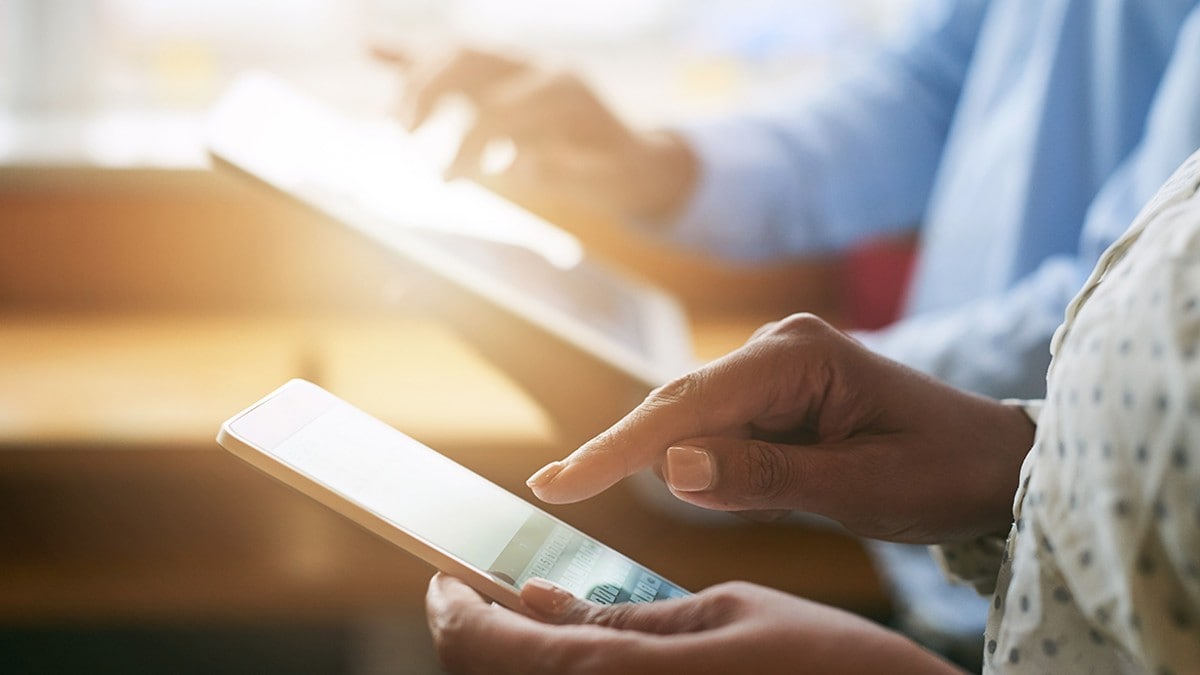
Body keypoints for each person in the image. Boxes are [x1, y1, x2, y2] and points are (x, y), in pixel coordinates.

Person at [393, 0, 1200, 652]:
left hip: (1074, 590)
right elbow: (926, 86)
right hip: (987, 543)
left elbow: (1125, 320)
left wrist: (776, 411)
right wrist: (667, 169)